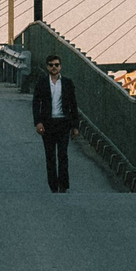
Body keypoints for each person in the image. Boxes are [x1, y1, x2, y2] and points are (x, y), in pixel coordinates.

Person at [31, 53, 80, 192]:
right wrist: (38, 123)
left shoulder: (67, 83)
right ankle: (53, 186)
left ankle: (63, 186)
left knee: (63, 155)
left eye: (56, 65)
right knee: (50, 156)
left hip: (63, 124)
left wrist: (75, 126)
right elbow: (36, 103)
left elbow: (73, 105)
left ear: (60, 67)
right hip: (48, 124)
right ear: (47, 67)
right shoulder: (41, 82)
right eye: (51, 65)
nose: (54, 67)